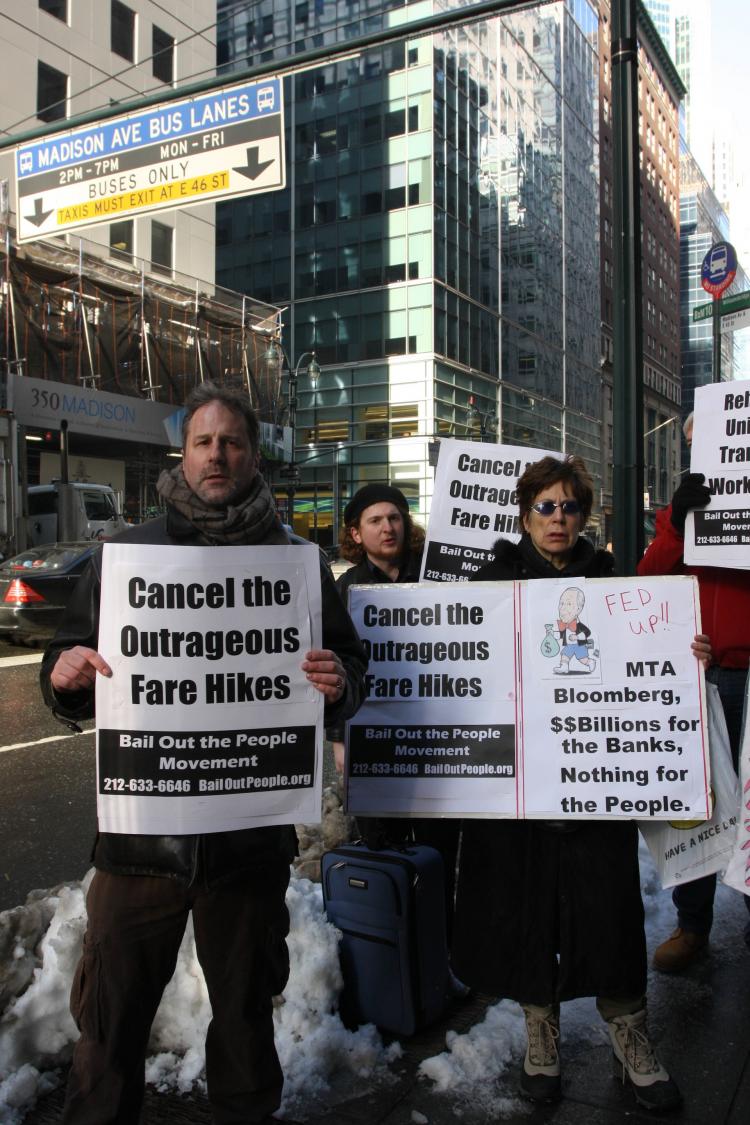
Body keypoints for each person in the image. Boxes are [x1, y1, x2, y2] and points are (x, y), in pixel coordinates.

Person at [40, 382, 368, 1125]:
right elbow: (71, 657)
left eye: (232, 441)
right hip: (138, 848)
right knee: (108, 1029)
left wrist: (338, 683)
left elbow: (349, 673)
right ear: (181, 454)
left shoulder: (299, 564)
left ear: (254, 455)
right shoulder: (125, 556)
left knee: (246, 1025)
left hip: (247, 847)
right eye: (202, 441)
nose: (217, 453)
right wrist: (62, 676)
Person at [451, 455, 711, 1110]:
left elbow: (651, 644)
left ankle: (631, 1036)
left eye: (569, 506)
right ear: (525, 514)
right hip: (520, 791)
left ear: (583, 514)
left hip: (593, 786)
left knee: (610, 910)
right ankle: (542, 1031)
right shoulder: (492, 581)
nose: (558, 517)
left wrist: (686, 651)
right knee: (530, 909)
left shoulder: (609, 580)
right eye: (546, 505)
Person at [329, 484, 464, 988]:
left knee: (438, 853)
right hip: (374, 743)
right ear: (355, 534)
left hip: (434, 739)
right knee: (382, 847)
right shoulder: (346, 593)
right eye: (375, 520)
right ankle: (394, 960)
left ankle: (442, 955)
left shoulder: (438, 578)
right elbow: (334, 671)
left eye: (395, 518)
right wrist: (340, 741)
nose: (388, 528)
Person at [638, 411, 750, 971]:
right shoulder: (683, 514)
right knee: (700, 801)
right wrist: (679, 523)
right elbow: (648, 578)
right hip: (706, 675)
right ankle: (693, 924)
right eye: (692, 441)